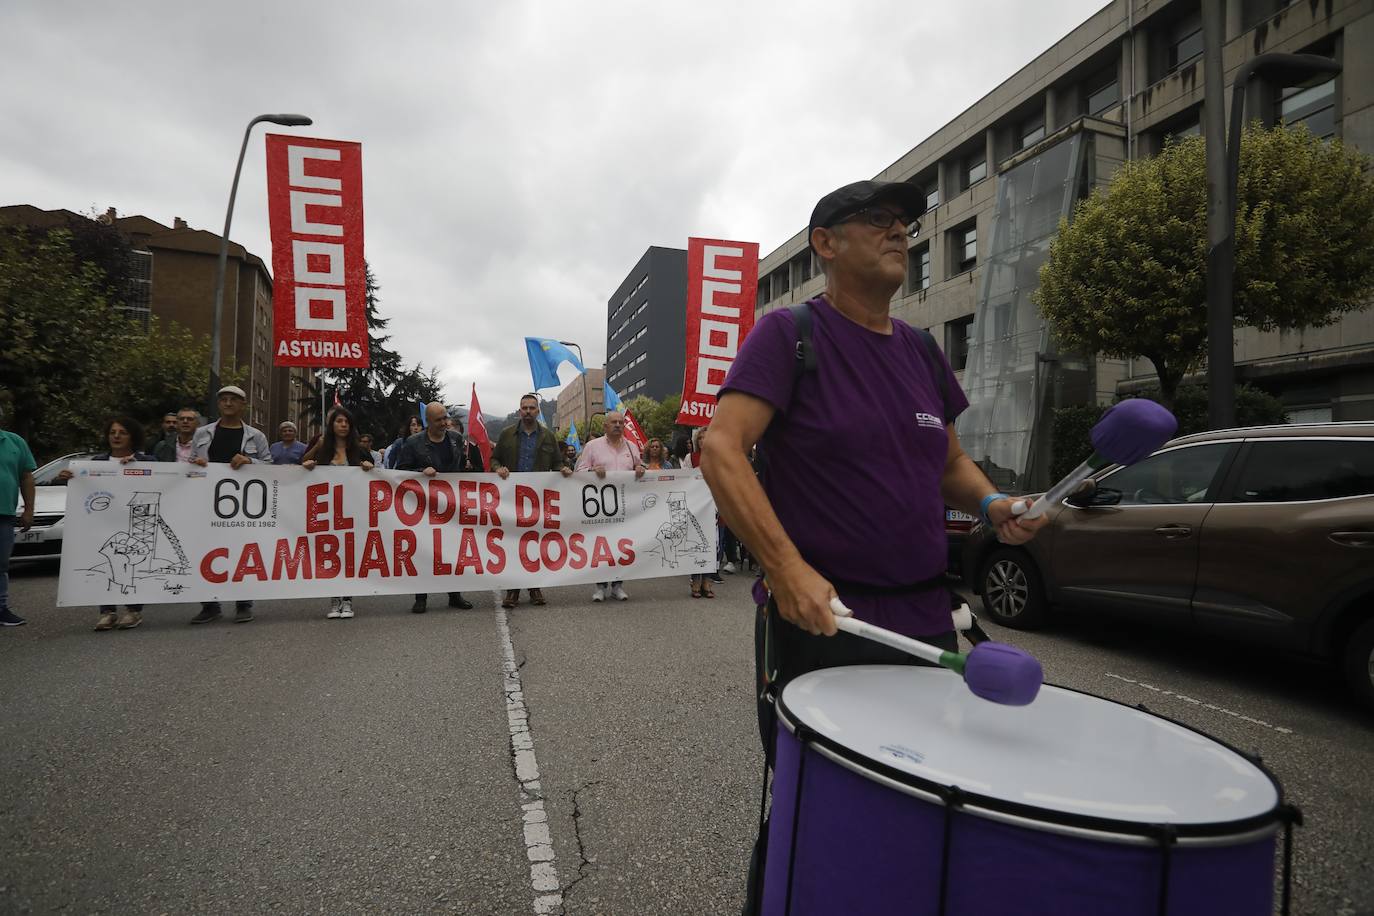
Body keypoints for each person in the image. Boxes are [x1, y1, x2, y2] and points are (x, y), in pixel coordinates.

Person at [700, 179, 1047, 913]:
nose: (902, 232)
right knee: (818, 812)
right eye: (879, 221)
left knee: (930, 801)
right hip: (827, 625)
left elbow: (949, 461)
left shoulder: (922, 350)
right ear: (826, 243)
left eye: (906, 224)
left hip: (927, 622)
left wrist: (993, 503)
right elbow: (721, 448)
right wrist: (785, 568)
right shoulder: (790, 334)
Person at [58, 417, 157, 630]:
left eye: (122, 432)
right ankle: (107, 611)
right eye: (113, 432)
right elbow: (85, 489)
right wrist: (71, 478)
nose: (117, 436)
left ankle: (134, 610)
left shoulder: (149, 460)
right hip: (104, 524)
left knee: (131, 564)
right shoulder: (96, 462)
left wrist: (139, 466)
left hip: (135, 522)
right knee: (106, 564)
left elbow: (164, 481)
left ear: (133, 436)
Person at [189, 385, 271, 624]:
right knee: (205, 550)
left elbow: (269, 465)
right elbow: (189, 464)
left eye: (233, 400)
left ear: (242, 405)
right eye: (223, 399)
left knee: (241, 551)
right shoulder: (202, 433)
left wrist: (249, 460)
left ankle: (243, 602)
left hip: (242, 505)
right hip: (208, 502)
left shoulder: (256, 436)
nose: (227, 403)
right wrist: (197, 464)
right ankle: (209, 604)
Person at [393, 401, 482, 613]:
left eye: (446, 417)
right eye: (439, 419)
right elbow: (401, 471)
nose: (445, 422)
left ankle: (454, 594)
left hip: (451, 505)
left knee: (452, 549)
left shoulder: (456, 439)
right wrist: (421, 470)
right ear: (428, 422)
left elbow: (459, 469)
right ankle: (421, 597)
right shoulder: (413, 443)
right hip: (424, 507)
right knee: (424, 550)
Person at [491, 393, 572, 609]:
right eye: (524, 408)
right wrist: (498, 468)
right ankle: (513, 590)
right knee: (513, 542)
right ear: (519, 411)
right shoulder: (507, 434)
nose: (528, 411)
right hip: (512, 500)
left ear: (538, 411)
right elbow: (494, 458)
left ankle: (535, 587)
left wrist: (562, 469)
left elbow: (556, 462)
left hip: (538, 499)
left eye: (532, 408)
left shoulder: (547, 436)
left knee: (535, 541)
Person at [302, 407, 375, 619]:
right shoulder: (323, 449)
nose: (343, 425)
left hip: (352, 511)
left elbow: (373, 472)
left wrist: (368, 467)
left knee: (349, 554)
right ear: (331, 425)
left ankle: (348, 599)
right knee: (330, 554)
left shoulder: (358, 450)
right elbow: (302, 464)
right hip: (328, 511)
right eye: (338, 421)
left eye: (346, 422)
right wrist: (310, 460)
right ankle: (334, 598)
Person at [574, 410, 645, 601]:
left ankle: (618, 585)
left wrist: (640, 469)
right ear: (605, 426)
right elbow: (579, 470)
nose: (618, 425)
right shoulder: (592, 446)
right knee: (601, 546)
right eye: (613, 422)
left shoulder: (631, 447)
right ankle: (600, 586)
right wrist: (592, 470)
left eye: (621, 422)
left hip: (624, 506)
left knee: (622, 545)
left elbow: (639, 466)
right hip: (599, 506)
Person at [0, 405, 36, 628]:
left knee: (1, 564)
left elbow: (26, 477)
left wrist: (29, 509)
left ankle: (1, 608)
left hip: (4, 514)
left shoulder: (14, 442)